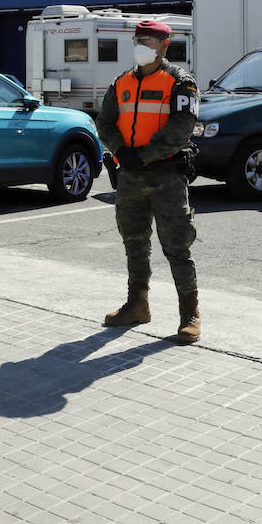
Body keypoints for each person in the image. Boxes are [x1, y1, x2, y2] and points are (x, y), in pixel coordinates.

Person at [96, 20, 200, 343]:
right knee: (134, 241)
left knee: (177, 245)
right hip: (129, 176)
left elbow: (180, 130)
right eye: (139, 39)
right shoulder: (122, 82)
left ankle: (190, 314)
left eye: (151, 42)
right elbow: (105, 122)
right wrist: (119, 150)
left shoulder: (181, 83)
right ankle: (137, 304)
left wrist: (142, 155)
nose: (144, 46)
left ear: (165, 46)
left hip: (166, 175)